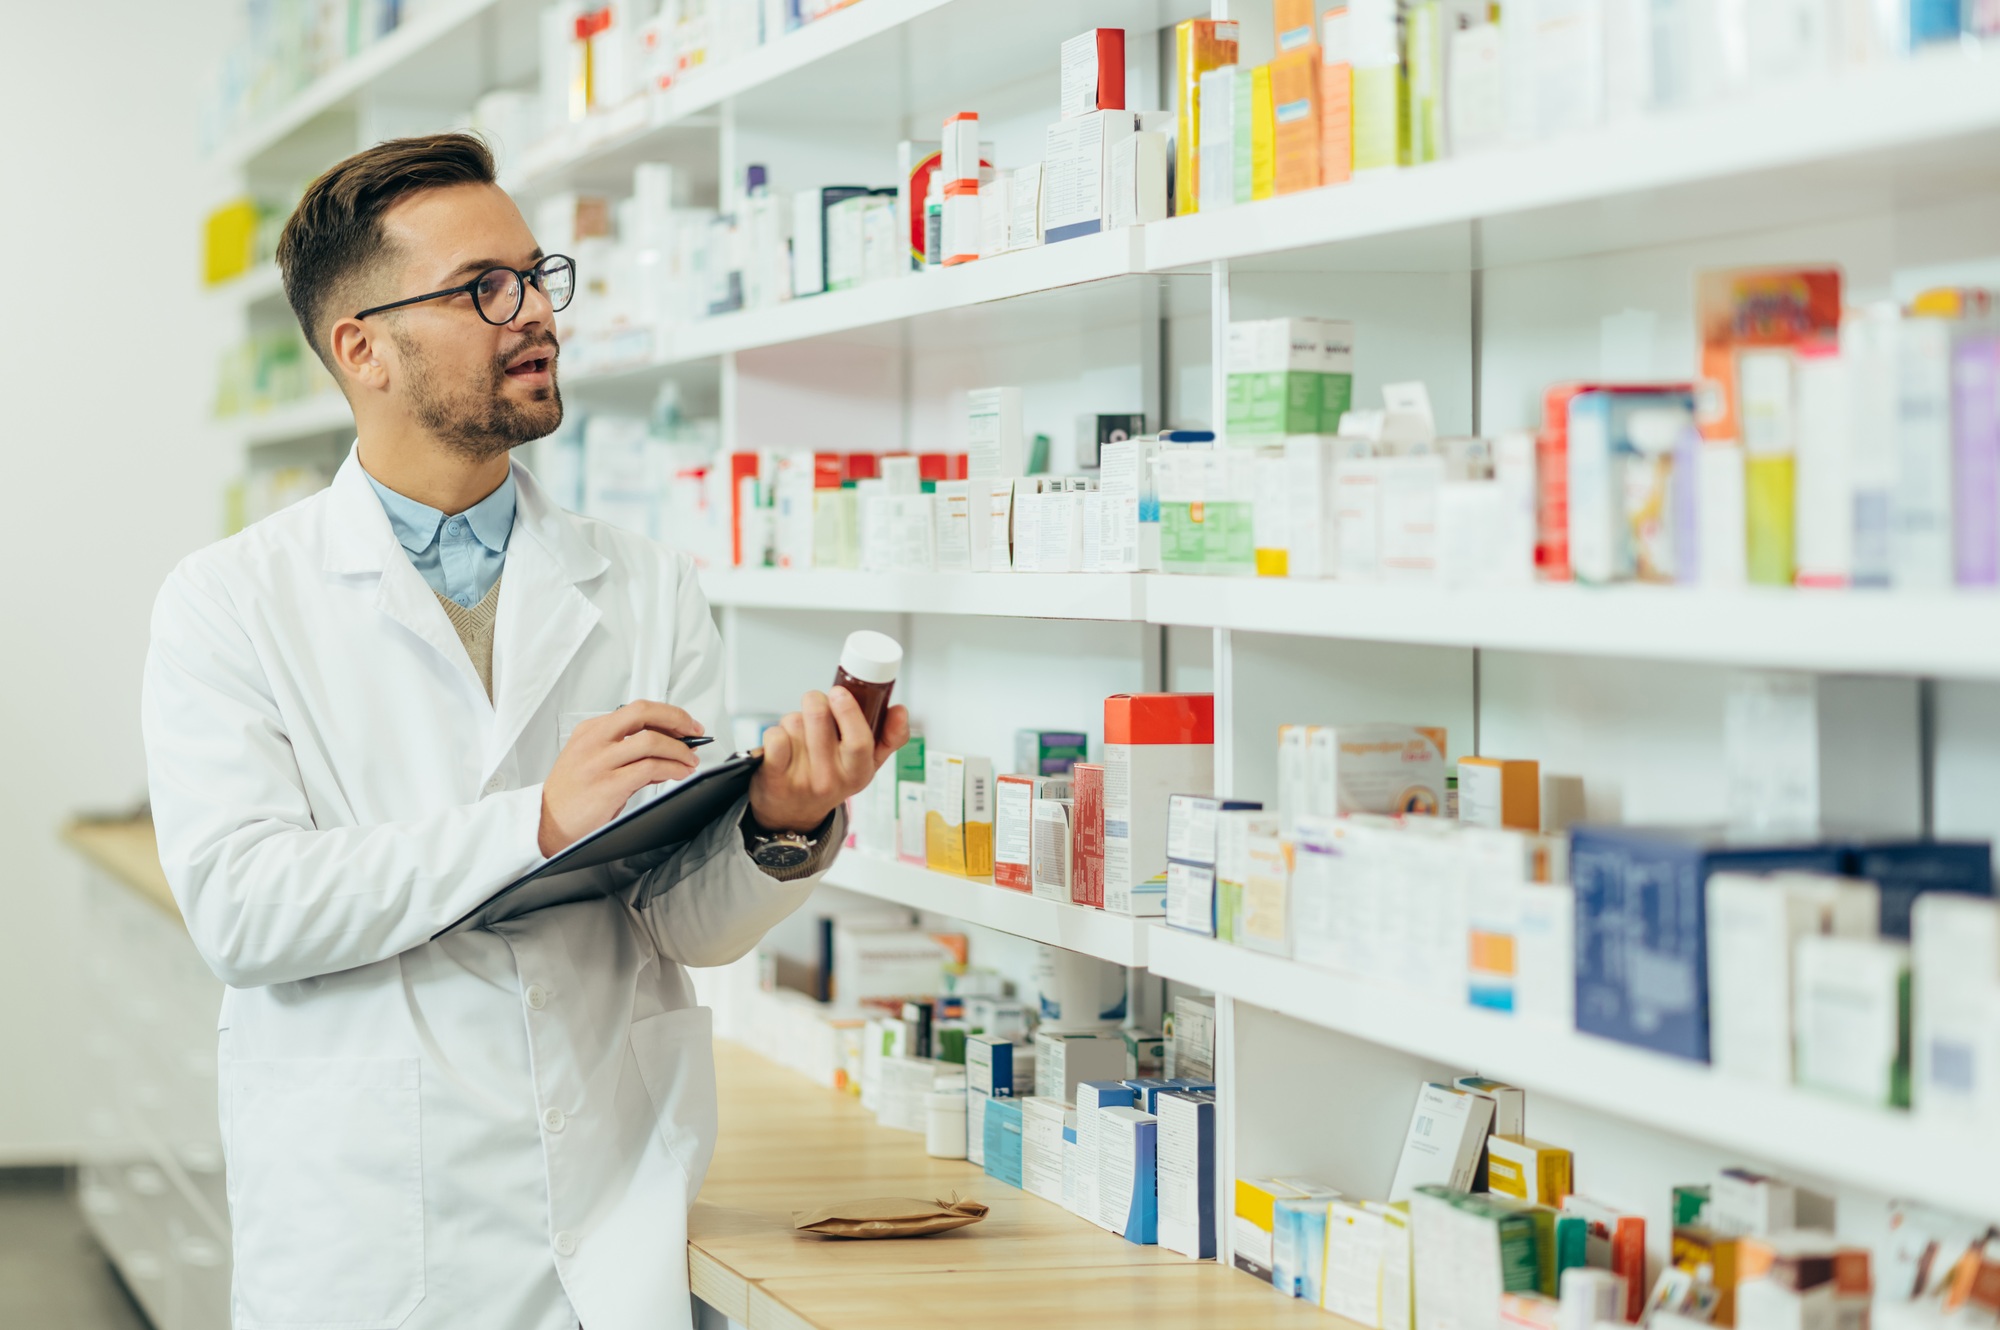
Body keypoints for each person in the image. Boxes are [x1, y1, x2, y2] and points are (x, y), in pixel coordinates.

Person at [140, 132, 907, 1330]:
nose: (532, 311)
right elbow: (243, 910)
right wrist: (536, 821)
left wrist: (776, 825)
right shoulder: (231, 601)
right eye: (480, 288)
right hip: (372, 1225)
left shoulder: (644, 583)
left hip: (609, 1205)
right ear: (362, 348)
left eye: (535, 275)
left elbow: (677, 919)